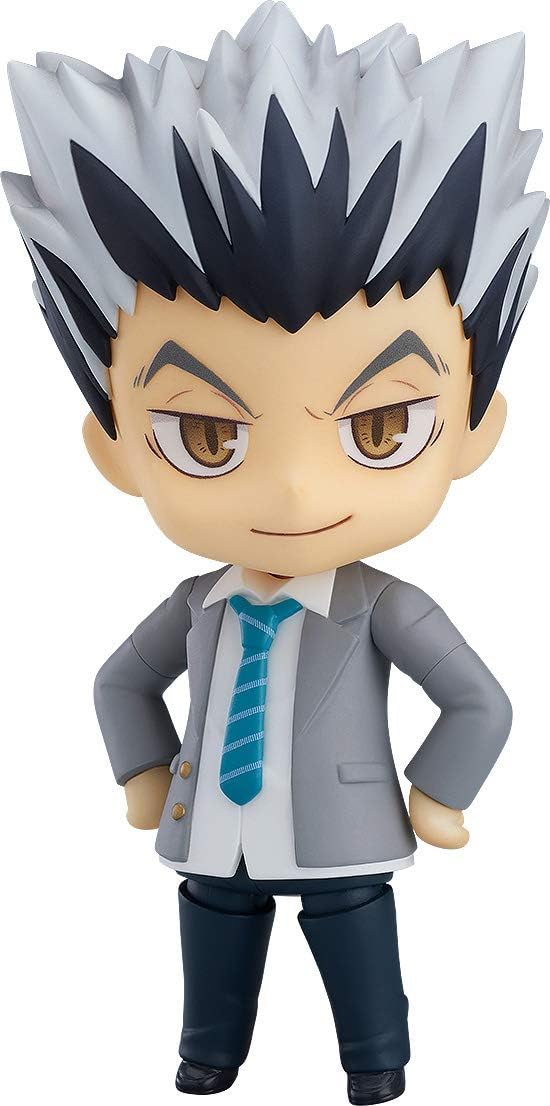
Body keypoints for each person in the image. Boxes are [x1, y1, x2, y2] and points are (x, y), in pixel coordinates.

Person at [3, 4, 546, 1102]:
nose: (295, 490)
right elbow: (117, 680)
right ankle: (209, 1052)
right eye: (208, 437)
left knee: (356, 938)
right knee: (212, 929)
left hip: (345, 833)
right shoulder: (194, 600)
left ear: (474, 428)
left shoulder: (387, 604)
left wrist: (438, 794)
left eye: (379, 428)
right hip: (214, 832)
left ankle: (375, 1061)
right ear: (115, 448)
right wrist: (144, 771)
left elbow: (479, 701)